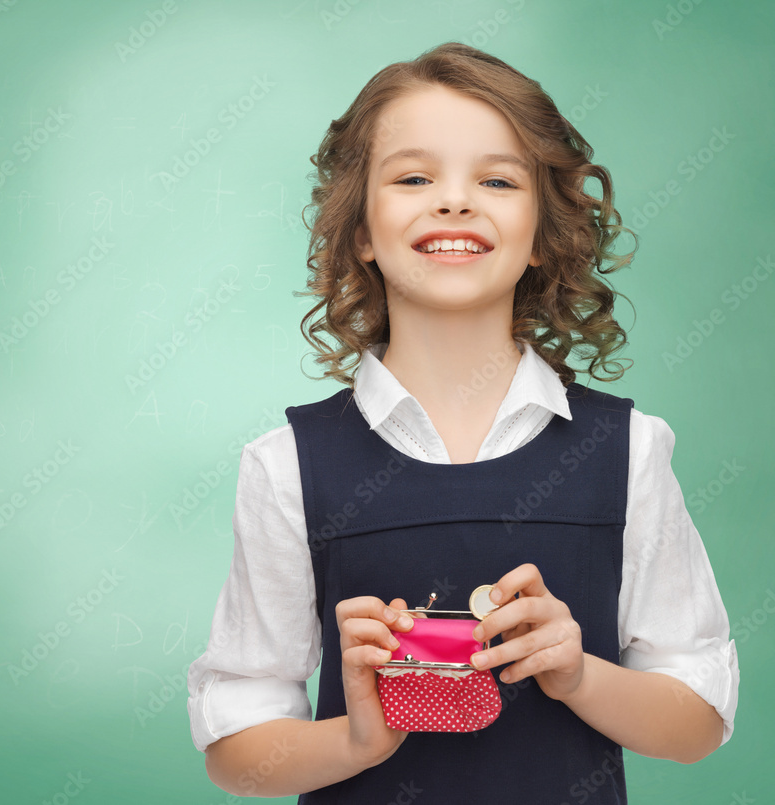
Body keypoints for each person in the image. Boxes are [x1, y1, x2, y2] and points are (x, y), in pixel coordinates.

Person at [186, 42, 738, 803]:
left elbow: (699, 722)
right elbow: (234, 753)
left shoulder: (629, 451)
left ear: (545, 231)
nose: (454, 201)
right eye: (414, 177)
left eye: (497, 179)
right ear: (359, 231)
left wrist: (578, 673)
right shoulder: (287, 466)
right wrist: (353, 740)